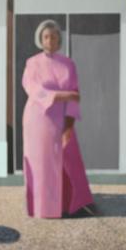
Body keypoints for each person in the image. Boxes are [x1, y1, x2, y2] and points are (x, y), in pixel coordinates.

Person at [21, 19, 93, 218]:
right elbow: (34, 90)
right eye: (46, 36)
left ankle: (66, 206)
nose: (50, 40)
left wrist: (69, 122)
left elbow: (75, 93)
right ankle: (41, 208)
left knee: (66, 160)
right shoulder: (32, 63)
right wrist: (63, 95)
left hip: (62, 118)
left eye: (53, 36)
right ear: (40, 40)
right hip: (38, 119)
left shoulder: (68, 64)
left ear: (59, 39)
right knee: (41, 163)